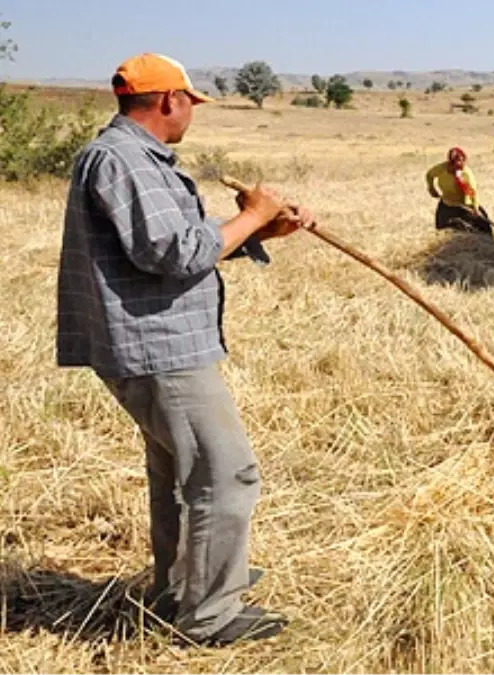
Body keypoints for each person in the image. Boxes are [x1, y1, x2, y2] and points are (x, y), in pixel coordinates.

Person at [55, 52, 314, 647]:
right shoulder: (122, 160)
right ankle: (211, 615)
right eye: (190, 103)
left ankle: (183, 588)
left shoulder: (129, 158)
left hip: (154, 344)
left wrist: (260, 228)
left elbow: (180, 246)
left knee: (177, 474)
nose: (190, 114)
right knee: (228, 474)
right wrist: (252, 213)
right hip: (159, 348)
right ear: (170, 100)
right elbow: (174, 255)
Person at [425, 147, 494, 238]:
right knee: (441, 231)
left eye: (462, 163)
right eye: (456, 164)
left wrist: (475, 209)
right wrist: (431, 188)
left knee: (484, 228)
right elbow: (429, 174)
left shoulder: (466, 173)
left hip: (465, 206)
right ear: (450, 163)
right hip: (447, 204)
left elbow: (473, 192)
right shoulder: (442, 168)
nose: (459, 165)